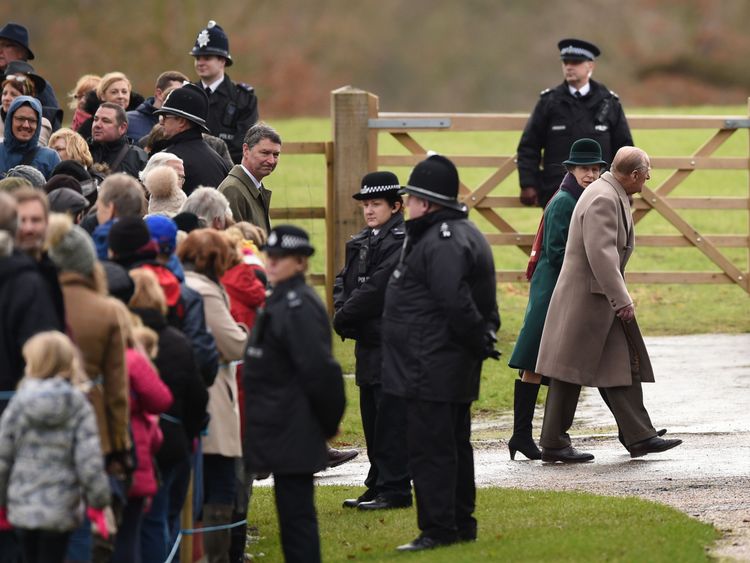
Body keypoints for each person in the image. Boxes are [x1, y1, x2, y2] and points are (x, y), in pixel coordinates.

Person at [381, 155, 500, 551]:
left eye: (411, 198)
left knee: (432, 450)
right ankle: (460, 523)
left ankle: (439, 529)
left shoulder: (442, 239)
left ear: (427, 203)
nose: (407, 205)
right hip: (439, 362)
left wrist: (477, 338)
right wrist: (481, 337)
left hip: (431, 363)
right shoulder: (457, 232)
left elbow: (456, 301)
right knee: (452, 446)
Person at [536, 146, 682, 461]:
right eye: (646, 174)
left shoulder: (606, 191)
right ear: (632, 175)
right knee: (568, 369)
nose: (648, 180)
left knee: (618, 363)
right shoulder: (603, 198)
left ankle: (639, 435)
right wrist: (622, 299)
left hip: (596, 297)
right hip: (588, 299)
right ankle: (553, 443)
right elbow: (601, 254)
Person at [243, 225, 345, 563]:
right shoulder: (281, 299)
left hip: (294, 423)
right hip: (280, 422)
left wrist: (327, 422)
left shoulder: (298, 305)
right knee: (290, 515)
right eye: (269, 255)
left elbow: (320, 372)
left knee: (297, 517)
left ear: (300, 262)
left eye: (280, 257)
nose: (271, 263)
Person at [506, 138, 607, 460]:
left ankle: (525, 436)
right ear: (572, 170)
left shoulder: (580, 197)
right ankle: (525, 435)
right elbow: (558, 250)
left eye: (595, 169)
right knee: (536, 358)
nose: (590, 175)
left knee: (539, 361)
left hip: (558, 285)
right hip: (553, 288)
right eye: (584, 169)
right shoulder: (566, 201)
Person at [332, 171, 412, 510]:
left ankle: (394, 488)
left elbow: (379, 288)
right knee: (372, 415)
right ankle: (377, 482)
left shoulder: (401, 240)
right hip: (368, 339)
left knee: (390, 417)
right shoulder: (363, 239)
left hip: (391, 341)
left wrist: (345, 315)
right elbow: (343, 280)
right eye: (366, 204)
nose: (369, 210)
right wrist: (342, 309)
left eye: (376, 204)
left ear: (395, 206)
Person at [0, 331, 111, 563]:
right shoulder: (79, 405)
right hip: (61, 507)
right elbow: (88, 460)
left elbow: (3, 456)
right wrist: (99, 499)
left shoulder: (18, 403)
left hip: (22, 506)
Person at [128, 267, 208, 563]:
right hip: (174, 441)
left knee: (143, 523)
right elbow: (198, 395)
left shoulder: (125, 341)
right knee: (166, 519)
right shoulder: (177, 341)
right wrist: (189, 435)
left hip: (136, 442)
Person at [177, 228, 248, 562]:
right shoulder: (203, 292)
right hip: (212, 397)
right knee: (219, 485)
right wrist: (245, 332)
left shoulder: (184, 284)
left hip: (193, 395)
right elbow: (233, 342)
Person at [516, 38, 633, 208]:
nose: (569, 66)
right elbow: (529, 146)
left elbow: (624, 149)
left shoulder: (609, 102)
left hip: (602, 191)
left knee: (600, 234)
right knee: (558, 235)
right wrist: (528, 184)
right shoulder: (549, 102)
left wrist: (626, 187)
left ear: (590, 66)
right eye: (565, 62)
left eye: (576, 62)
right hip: (556, 192)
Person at [0, 192, 62, 412]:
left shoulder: (54, 272)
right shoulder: (27, 281)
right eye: (22, 220)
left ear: (48, 222)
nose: (28, 228)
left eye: (35, 220)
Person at [190, 20, 259, 163]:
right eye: (197, 58)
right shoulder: (187, 95)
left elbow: (244, 143)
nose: (200, 62)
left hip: (229, 170)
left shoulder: (244, 98)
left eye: (207, 58)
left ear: (222, 61)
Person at [154, 83, 230, 195]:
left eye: (165, 116)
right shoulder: (219, 161)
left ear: (181, 122)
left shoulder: (169, 159)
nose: (161, 121)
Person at [217, 122, 280, 233]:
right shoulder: (232, 190)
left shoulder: (254, 186)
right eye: (265, 153)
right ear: (246, 150)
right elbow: (234, 242)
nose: (271, 161)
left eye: (276, 155)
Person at [0, 22, 60, 116]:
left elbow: (53, 122)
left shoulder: (40, 86)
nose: (0, 51)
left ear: (22, 52)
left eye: (7, 45)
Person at [0, 96, 60, 178]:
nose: (26, 125)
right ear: (10, 120)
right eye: (20, 119)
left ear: (38, 124)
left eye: (31, 120)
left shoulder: (50, 158)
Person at [89, 102, 148, 178]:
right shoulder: (82, 151)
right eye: (95, 119)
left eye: (105, 121)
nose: (97, 125)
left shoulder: (137, 158)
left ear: (122, 128)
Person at [127, 71, 188, 143]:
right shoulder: (127, 121)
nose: (180, 98)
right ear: (159, 93)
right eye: (175, 93)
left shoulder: (184, 124)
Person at [1, 65, 54, 144]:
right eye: (4, 93)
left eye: (13, 95)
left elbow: (36, 149)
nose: (7, 98)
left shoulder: (42, 124)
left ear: (28, 98)